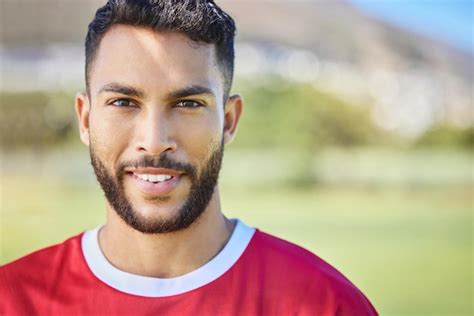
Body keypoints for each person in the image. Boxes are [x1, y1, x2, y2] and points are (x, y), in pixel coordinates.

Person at [0, 1, 378, 315]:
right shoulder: (13, 300)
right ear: (85, 119)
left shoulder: (325, 305)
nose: (154, 141)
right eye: (123, 102)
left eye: (187, 103)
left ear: (229, 121)